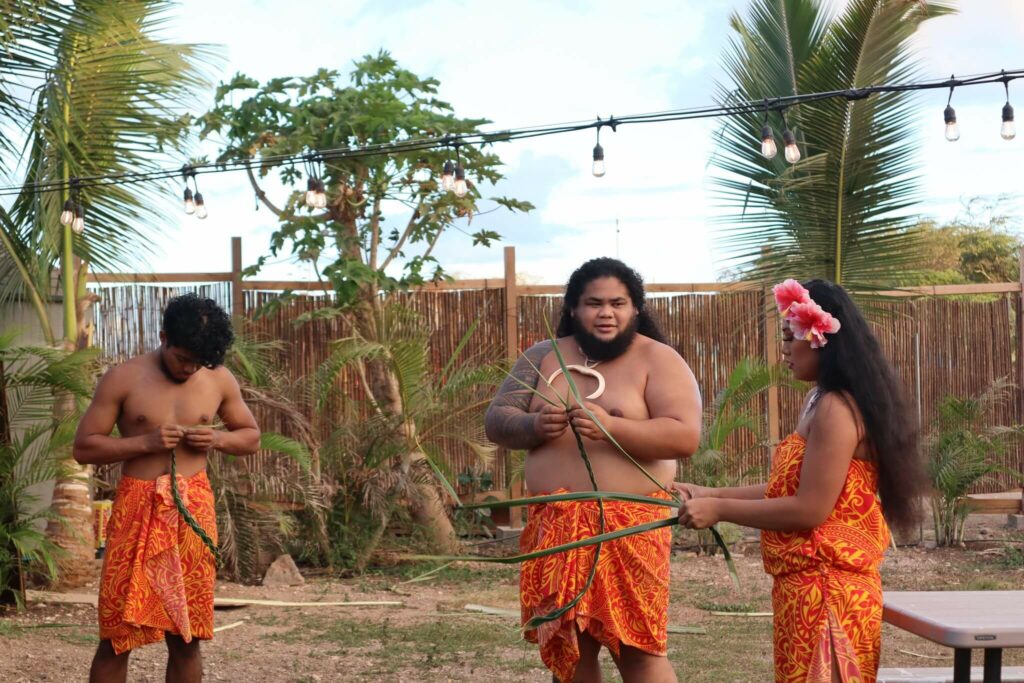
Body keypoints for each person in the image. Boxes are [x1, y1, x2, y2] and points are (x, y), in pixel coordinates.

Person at [676, 279, 926, 683]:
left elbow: (809, 509)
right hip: (805, 592)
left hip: (829, 594)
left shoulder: (836, 409)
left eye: (790, 338)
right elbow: (789, 489)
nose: (784, 350)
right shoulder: (817, 401)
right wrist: (710, 492)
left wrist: (719, 510)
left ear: (820, 338)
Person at [485, 257, 702, 683]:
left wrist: (613, 426)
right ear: (572, 308)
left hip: (629, 525)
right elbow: (497, 419)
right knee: (568, 648)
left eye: (618, 303)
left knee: (637, 646)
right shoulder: (542, 356)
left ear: (635, 308)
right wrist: (532, 425)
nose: (606, 313)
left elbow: (684, 437)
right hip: (555, 525)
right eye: (594, 303)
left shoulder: (658, 359)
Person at [74, 293, 260, 683]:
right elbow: (84, 447)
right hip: (136, 508)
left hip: (192, 511)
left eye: (199, 362)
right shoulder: (123, 378)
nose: (190, 369)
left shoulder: (219, 379)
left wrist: (217, 440)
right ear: (163, 337)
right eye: (182, 358)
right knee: (116, 634)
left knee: (186, 636)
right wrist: (145, 443)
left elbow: (250, 437)